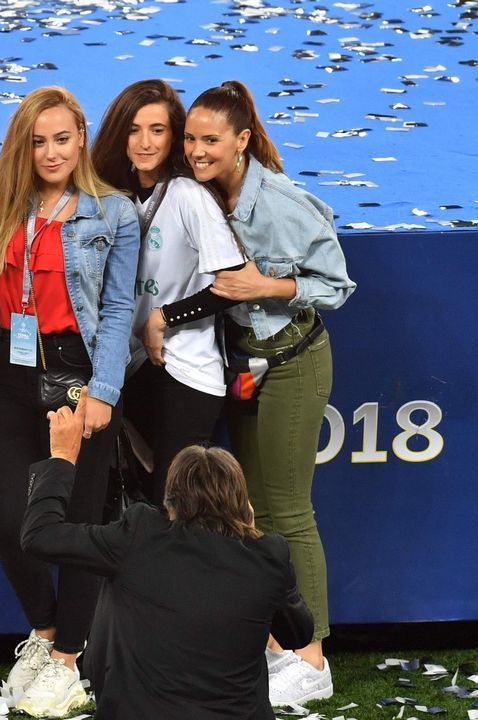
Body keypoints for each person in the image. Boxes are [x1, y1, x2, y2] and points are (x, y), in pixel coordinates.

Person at [0, 86, 139, 717]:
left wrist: (105, 392)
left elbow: (119, 310)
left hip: (78, 375)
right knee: (11, 522)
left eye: (61, 138)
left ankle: (69, 661)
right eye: (37, 141)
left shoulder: (113, 212)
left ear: (82, 137)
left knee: (79, 527)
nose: (50, 152)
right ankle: (43, 635)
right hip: (9, 371)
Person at [184, 80, 356, 705]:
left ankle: (313, 656)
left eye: (210, 140)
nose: (197, 150)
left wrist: (265, 286)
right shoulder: (196, 198)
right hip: (242, 369)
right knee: (249, 508)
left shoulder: (281, 201)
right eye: (191, 138)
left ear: (242, 141)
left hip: (292, 362)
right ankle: (276, 648)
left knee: (288, 508)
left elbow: (336, 285)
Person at [21, 394, 315, 720]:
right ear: (242, 503)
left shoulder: (139, 534)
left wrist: (62, 457)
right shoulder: (268, 557)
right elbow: (298, 635)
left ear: (171, 501)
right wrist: (253, 536)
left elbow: (40, 536)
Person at [92, 79, 245, 503]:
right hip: (136, 371)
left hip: (186, 372)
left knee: (172, 509)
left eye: (157, 130)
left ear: (173, 136)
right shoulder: (112, 198)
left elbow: (231, 282)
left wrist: (164, 317)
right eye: (134, 129)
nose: (144, 142)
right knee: (139, 503)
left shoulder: (187, 196)